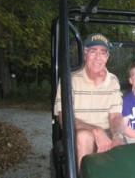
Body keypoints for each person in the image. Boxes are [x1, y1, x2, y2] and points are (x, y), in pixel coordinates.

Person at [54, 33, 124, 170]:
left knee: (121, 141)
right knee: (84, 136)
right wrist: (96, 130)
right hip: (78, 133)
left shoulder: (113, 80)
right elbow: (64, 118)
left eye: (103, 53)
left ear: (107, 57)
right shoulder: (69, 80)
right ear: (85, 54)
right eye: (93, 51)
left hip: (107, 132)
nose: (98, 58)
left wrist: (116, 134)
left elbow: (115, 116)